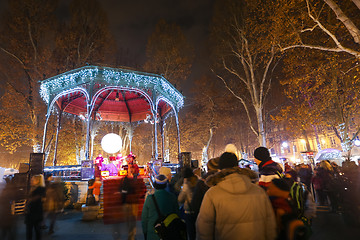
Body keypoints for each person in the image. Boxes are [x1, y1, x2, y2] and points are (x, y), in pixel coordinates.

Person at [196, 152, 276, 240]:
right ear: (237, 166)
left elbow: (204, 227)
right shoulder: (258, 191)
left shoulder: (212, 194)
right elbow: (270, 223)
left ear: (220, 168)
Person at [142, 174, 180, 240]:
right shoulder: (172, 197)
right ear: (166, 184)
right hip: (168, 232)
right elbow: (177, 214)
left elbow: (144, 218)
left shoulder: (149, 198)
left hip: (153, 233)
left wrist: (145, 232)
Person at [178, 167, 198, 240]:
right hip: (198, 210)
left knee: (190, 233)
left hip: (189, 212)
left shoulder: (186, 184)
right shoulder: (198, 181)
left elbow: (180, 199)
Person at [25, 174, 46, 240]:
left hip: (36, 214)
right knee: (31, 231)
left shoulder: (40, 189)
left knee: (36, 231)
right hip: (31, 214)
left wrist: (29, 201)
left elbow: (37, 200)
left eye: (32, 180)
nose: (31, 181)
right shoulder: (32, 189)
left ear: (37, 181)